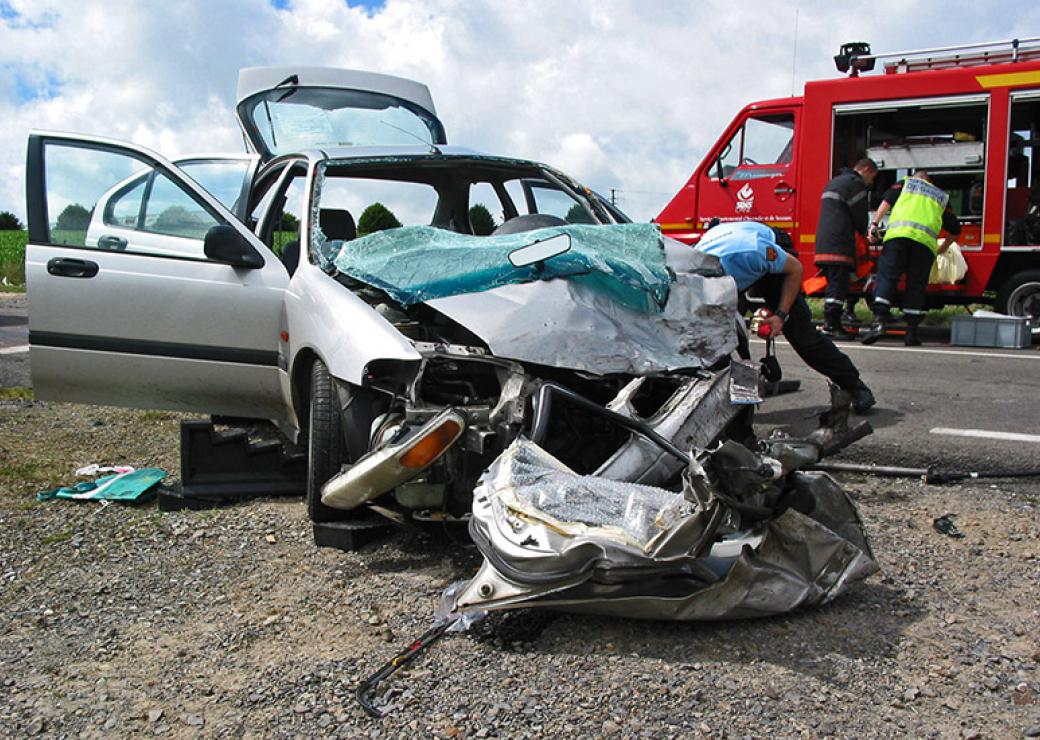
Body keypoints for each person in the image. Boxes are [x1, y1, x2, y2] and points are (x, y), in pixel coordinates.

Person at [697, 220, 876, 413]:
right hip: (731, 263)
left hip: (768, 250)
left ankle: (854, 386)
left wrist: (781, 315)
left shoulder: (755, 251)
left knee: (801, 334)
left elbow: (795, 269)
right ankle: (728, 394)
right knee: (715, 337)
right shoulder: (692, 272)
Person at [860, 170, 960, 346]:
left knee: (888, 277)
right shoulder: (940, 196)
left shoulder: (905, 183)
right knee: (916, 285)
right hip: (924, 245)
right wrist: (941, 249)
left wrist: (874, 225)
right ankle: (911, 333)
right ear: (930, 181)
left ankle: (879, 323)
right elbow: (955, 230)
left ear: (916, 177)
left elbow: (886, 202)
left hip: (898, 237)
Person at [814, 158, 879, 339]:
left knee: (835, 285)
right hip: (839, 245)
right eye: (872, 177)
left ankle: (833, 322)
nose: (871, 183)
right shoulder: (855, 184)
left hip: (825, 243)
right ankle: (831, 325)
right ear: (865, 169)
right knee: (838, 286)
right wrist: (866, 233)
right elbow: (860, 218)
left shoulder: (835, 182)